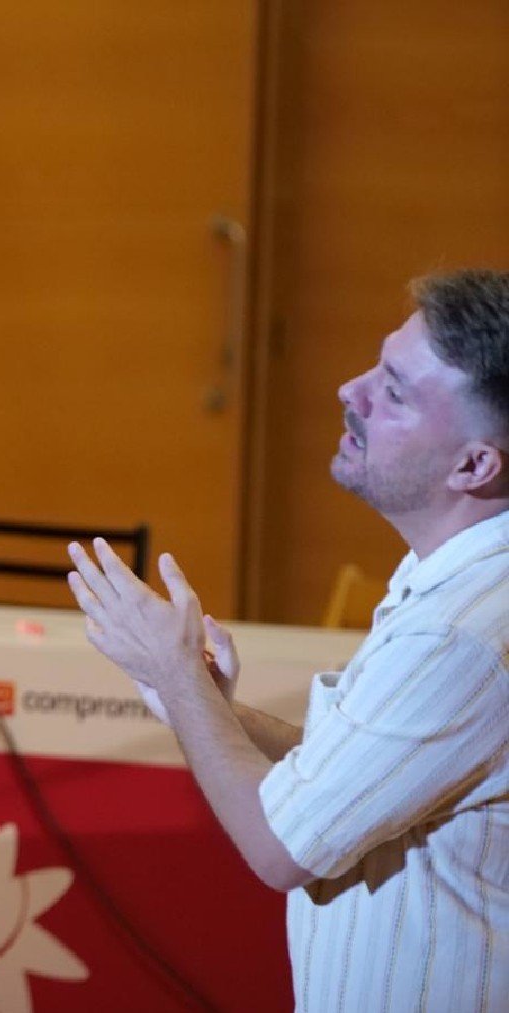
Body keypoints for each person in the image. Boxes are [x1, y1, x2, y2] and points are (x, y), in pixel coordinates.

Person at [67, 270, 509, 1011]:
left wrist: (179, 677)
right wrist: (203, 702)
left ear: (475, 464)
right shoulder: (454, 581)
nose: (352, 389)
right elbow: (362, 770)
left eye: (395, 392)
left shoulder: (459, 633)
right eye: (377, 363)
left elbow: (281, 848)